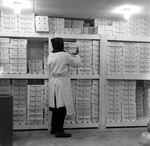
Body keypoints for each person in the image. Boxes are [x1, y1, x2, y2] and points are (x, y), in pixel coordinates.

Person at [47, 37, 82, 138]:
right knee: (62, 107)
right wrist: (77, 55)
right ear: (61, 44)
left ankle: (54, 128)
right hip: (62, 83)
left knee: (55, 107)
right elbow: (77, 64)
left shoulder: (51, 55)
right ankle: (59, 131)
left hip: (53, 82)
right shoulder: (65, 55)